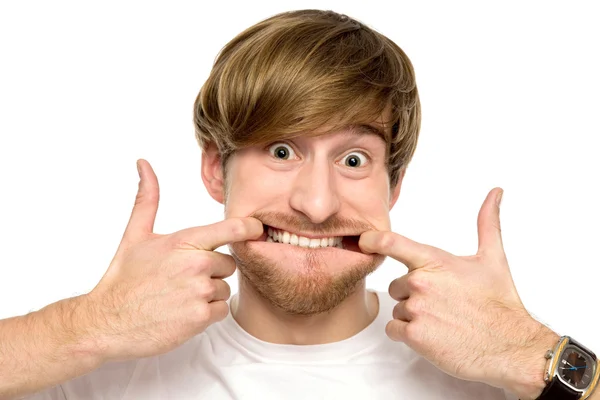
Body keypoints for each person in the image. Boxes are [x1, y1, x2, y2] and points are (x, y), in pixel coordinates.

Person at [0, 9, 598, 400]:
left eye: (354, 159)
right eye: (281, 150)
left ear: (393, 186)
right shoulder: (93, 368)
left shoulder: (507, 373)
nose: (316, 204)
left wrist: (529, 352)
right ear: (215, 168)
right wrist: (83, 328)